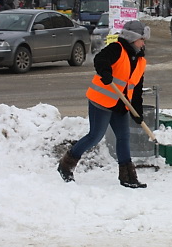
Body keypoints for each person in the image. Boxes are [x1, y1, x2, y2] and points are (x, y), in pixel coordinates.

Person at [57, 20, 151, 188]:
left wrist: (137, 112)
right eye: (142, 39)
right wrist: (105, 72)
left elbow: (136, 89)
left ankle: (127, 176)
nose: (144, 43)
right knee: (95, 136)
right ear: (133, 38)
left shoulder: (140, 60)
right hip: (101, 100)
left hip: (120, 104)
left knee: (123, 137)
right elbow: (100, 59)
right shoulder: (117, 49)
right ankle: (66, 165)